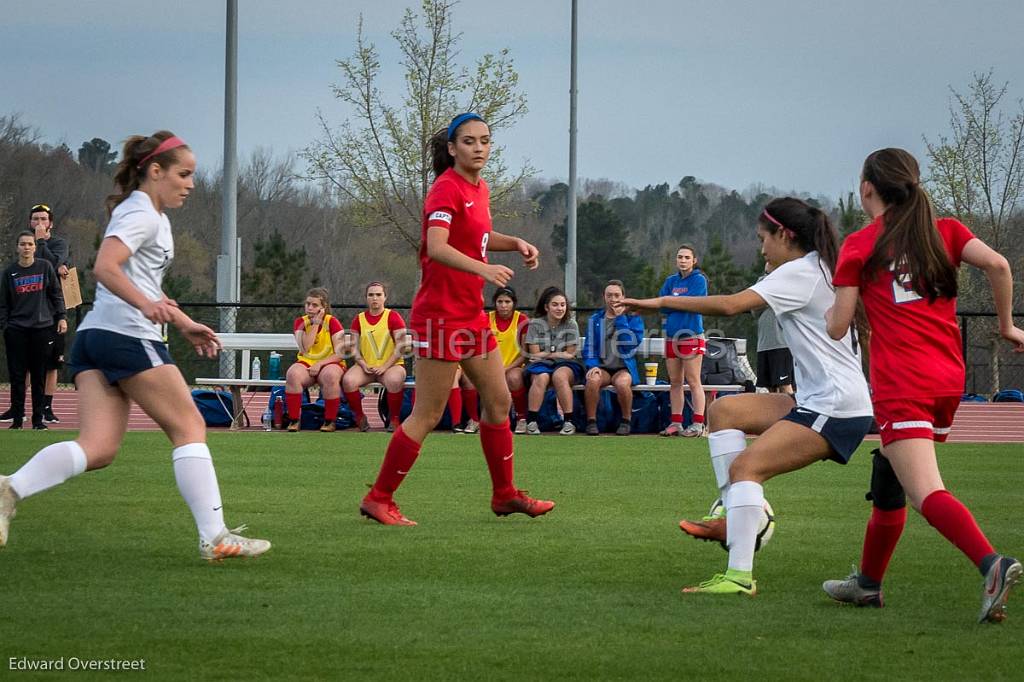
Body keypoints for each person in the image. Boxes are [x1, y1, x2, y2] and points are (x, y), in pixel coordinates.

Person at [0, 131, 270, 560]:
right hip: (126, 337)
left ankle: (9, 488)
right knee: (190, 428)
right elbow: (105, 267)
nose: (191, 183)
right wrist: (146, 305)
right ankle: (215, 537)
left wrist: (182, 321)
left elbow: (140, 282)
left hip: (95, 337)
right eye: (184, 174)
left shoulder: (153, 217)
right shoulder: (142, 212)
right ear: (155, 172)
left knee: (99, 448)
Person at [622, 197, 873, 596]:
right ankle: (734, 512)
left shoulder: (800, 273)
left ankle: (739, 574)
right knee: (724, 411)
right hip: (819, 400)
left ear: (784, 235)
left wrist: (658, 302)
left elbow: (730, 305)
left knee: (746, 470)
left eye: (762, 239)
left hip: (835, 407)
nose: (761, 249)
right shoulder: (817, 267)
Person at [821, 148, 1024, 623]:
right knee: (889, 468)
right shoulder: (946, 230)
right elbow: (998, 266)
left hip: (902, 381)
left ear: (867, 188)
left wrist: (829, 305)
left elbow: (836, 327)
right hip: (946, 378)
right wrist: (1007, 326)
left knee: (926, 491)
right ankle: (868, 585)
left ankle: (993, 565)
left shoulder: (860, 244)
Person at [358, 112, 555, 525]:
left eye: (485, 140)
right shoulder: (445, 189)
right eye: (469, 141)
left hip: (470, 315)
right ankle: (378, 497)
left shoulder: (478, 188)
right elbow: (438, 245)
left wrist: (513, 242)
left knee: (499, 402)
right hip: (440, 317)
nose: (479, 148)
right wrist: (483, 269)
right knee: (427, 414)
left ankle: (504, 494)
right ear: (452, 148)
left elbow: (479, 237)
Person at [0, 231, 66, 430]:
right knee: (17, 376)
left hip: (42, 328)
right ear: (17, 247)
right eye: (22, 244)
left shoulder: (45, 267)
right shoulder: (9, 272)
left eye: (30, 244)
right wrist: (6, 326)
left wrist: (61, 316)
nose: (26, 247)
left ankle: (38, 421)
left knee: (39, 375)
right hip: (17, 330)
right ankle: (17, 420)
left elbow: (56, 294)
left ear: (34, 248)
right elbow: (3, 303)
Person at [581, 280, 645, 436]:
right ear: (604, 297)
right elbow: (589, 347)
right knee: (592, 380)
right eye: (609, 295)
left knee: (623, 384)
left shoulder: (633, 318)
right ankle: (591, 421)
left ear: (623, 297)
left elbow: (629, 344)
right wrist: (592, 365)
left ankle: (626, 421)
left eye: (617, 295)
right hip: (602, 367)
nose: (613, 299)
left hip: (623, 367)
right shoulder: (595, 319)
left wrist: (620, 319)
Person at [343, 281, 408, 433]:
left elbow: (401, 346)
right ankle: (360, 418)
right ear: (366, 298)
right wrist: (362, 363)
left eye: (378, 294)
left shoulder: (393, 317)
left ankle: (394, 419)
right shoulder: (358, 319)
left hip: (391, 365)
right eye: (371, 295)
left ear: (385, 297)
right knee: (348, 380)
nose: (375, 298)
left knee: (394, 380)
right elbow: (353, 347)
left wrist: (384, 366)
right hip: (367, 366)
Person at [658, 244, 709, 436]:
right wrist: (677, 301)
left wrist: (674, 301)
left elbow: (693, 304)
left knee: (693, 380)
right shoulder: (671, 281)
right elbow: (662, 305)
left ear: (694, 260)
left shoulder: (699, 280)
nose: (683, 261)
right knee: (675, 381)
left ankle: (697, 423)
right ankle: (676, 423)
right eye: (680, 257)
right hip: (672, 337)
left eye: (687, 257)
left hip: (691, 336)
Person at [284, 288, 347, 433]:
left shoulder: (332, 322)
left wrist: (320, 364)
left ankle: (330, 420)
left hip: (331, 362)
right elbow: (306, 347)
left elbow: (340, 354)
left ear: (323, 308)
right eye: (308, 304)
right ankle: (294, 420)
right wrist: (315, 324)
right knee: (292, 374)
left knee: (330, 376)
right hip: (307, 362)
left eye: (315, 305)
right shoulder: (300, 322)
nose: (310, 308)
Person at [523, 286, 583, 435]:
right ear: (546, 307)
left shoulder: (571, 324)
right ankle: (532, 421)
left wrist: (548, 353)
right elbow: (534, 354)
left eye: (562, 305)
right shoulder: (535, 324)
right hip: (541, 365)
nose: (560, 308)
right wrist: (557, 353)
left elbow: (570, 354)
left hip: (566, 364)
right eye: (555, 305)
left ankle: (568, 422)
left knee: (559, 376)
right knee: (541, 377)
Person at [31, 203, 71, 423]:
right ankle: (22, 406)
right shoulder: (25, 243)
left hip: (53, 310)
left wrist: (41, 242)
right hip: (28, 310)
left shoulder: (58, 243)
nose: (39, 223)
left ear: (50, 223)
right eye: (35, 219)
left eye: (43, 219)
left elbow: (52, 262)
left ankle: (47, 406)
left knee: (51, 363)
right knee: (26, 363)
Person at [488, 286, 530, 434]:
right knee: (472, 378)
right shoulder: (487, 319)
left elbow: (524, 353)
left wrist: (507, 368)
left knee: (513, 378)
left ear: (513, 303)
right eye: (500, 301)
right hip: (490, 366)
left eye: (507, 301)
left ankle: (521, 419)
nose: (503, 305)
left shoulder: (522, 320)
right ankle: (477, 419)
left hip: (514, 366)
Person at [755, 264, 795, 395]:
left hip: (782, 344)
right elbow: (754, 309)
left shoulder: (788, 281)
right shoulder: (762, 281)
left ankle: (792, 413)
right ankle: (775, 415)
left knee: (785, 385)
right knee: (770, 387)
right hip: (764, 344)